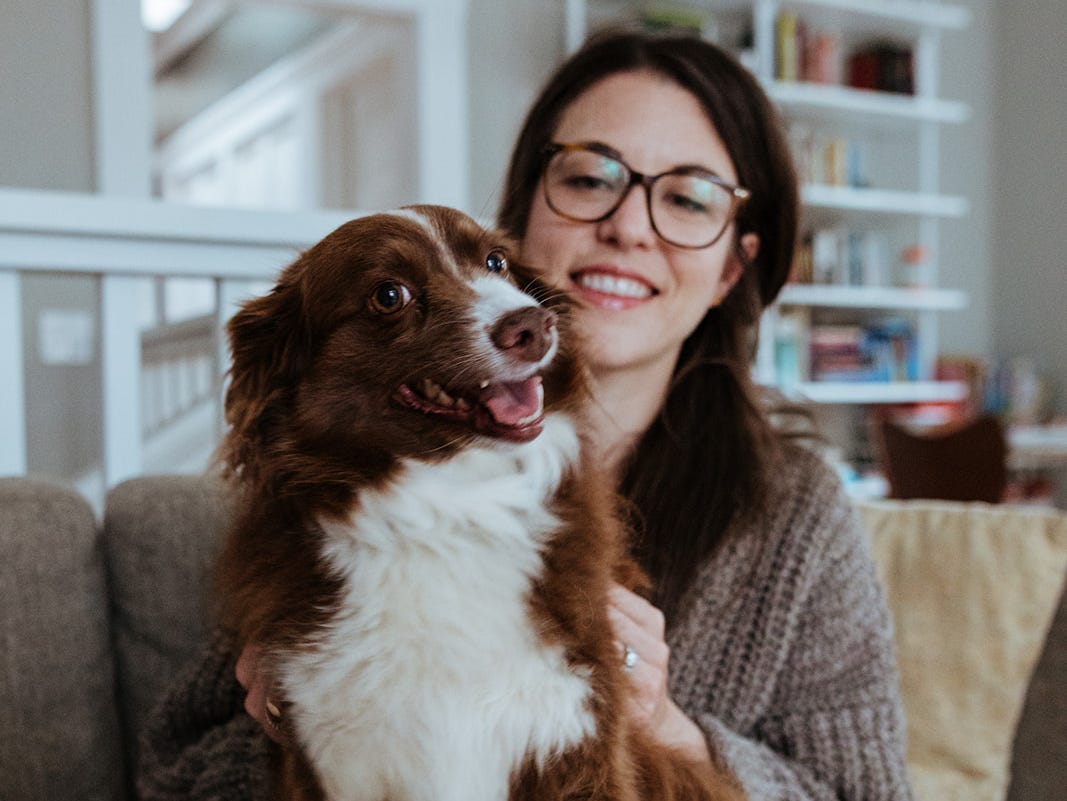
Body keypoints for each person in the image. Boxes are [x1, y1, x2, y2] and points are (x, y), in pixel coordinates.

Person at [138, 28, 913, 801]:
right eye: (589, 179)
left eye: (685, 198)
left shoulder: (795, 515)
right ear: (522, 214)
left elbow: (865, 794)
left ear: (731, 268)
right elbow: (171, 770)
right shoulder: (336, 494)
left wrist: (664, 726)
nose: (629, 226)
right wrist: (300, 731)